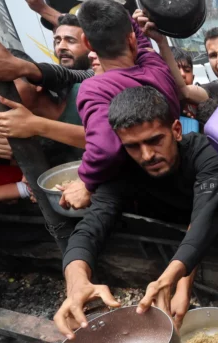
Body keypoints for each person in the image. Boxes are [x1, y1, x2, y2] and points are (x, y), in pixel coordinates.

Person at [54, 86, 218, 338]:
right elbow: (91, 227)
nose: (147, 155)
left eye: (155, 140)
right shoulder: (122, 170)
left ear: (176, 130)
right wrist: (76, 281)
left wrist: (176, 282)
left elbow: (204, 218)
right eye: (133, 146)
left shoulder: (206, 154)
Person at [58, 0, 179, 211]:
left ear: (86, 43)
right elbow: (140, 40)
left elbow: (104, 149)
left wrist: (86, 180)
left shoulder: (95, 89)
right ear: (130, 39)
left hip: (144, 199)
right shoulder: (156, 66)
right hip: (180, 178)